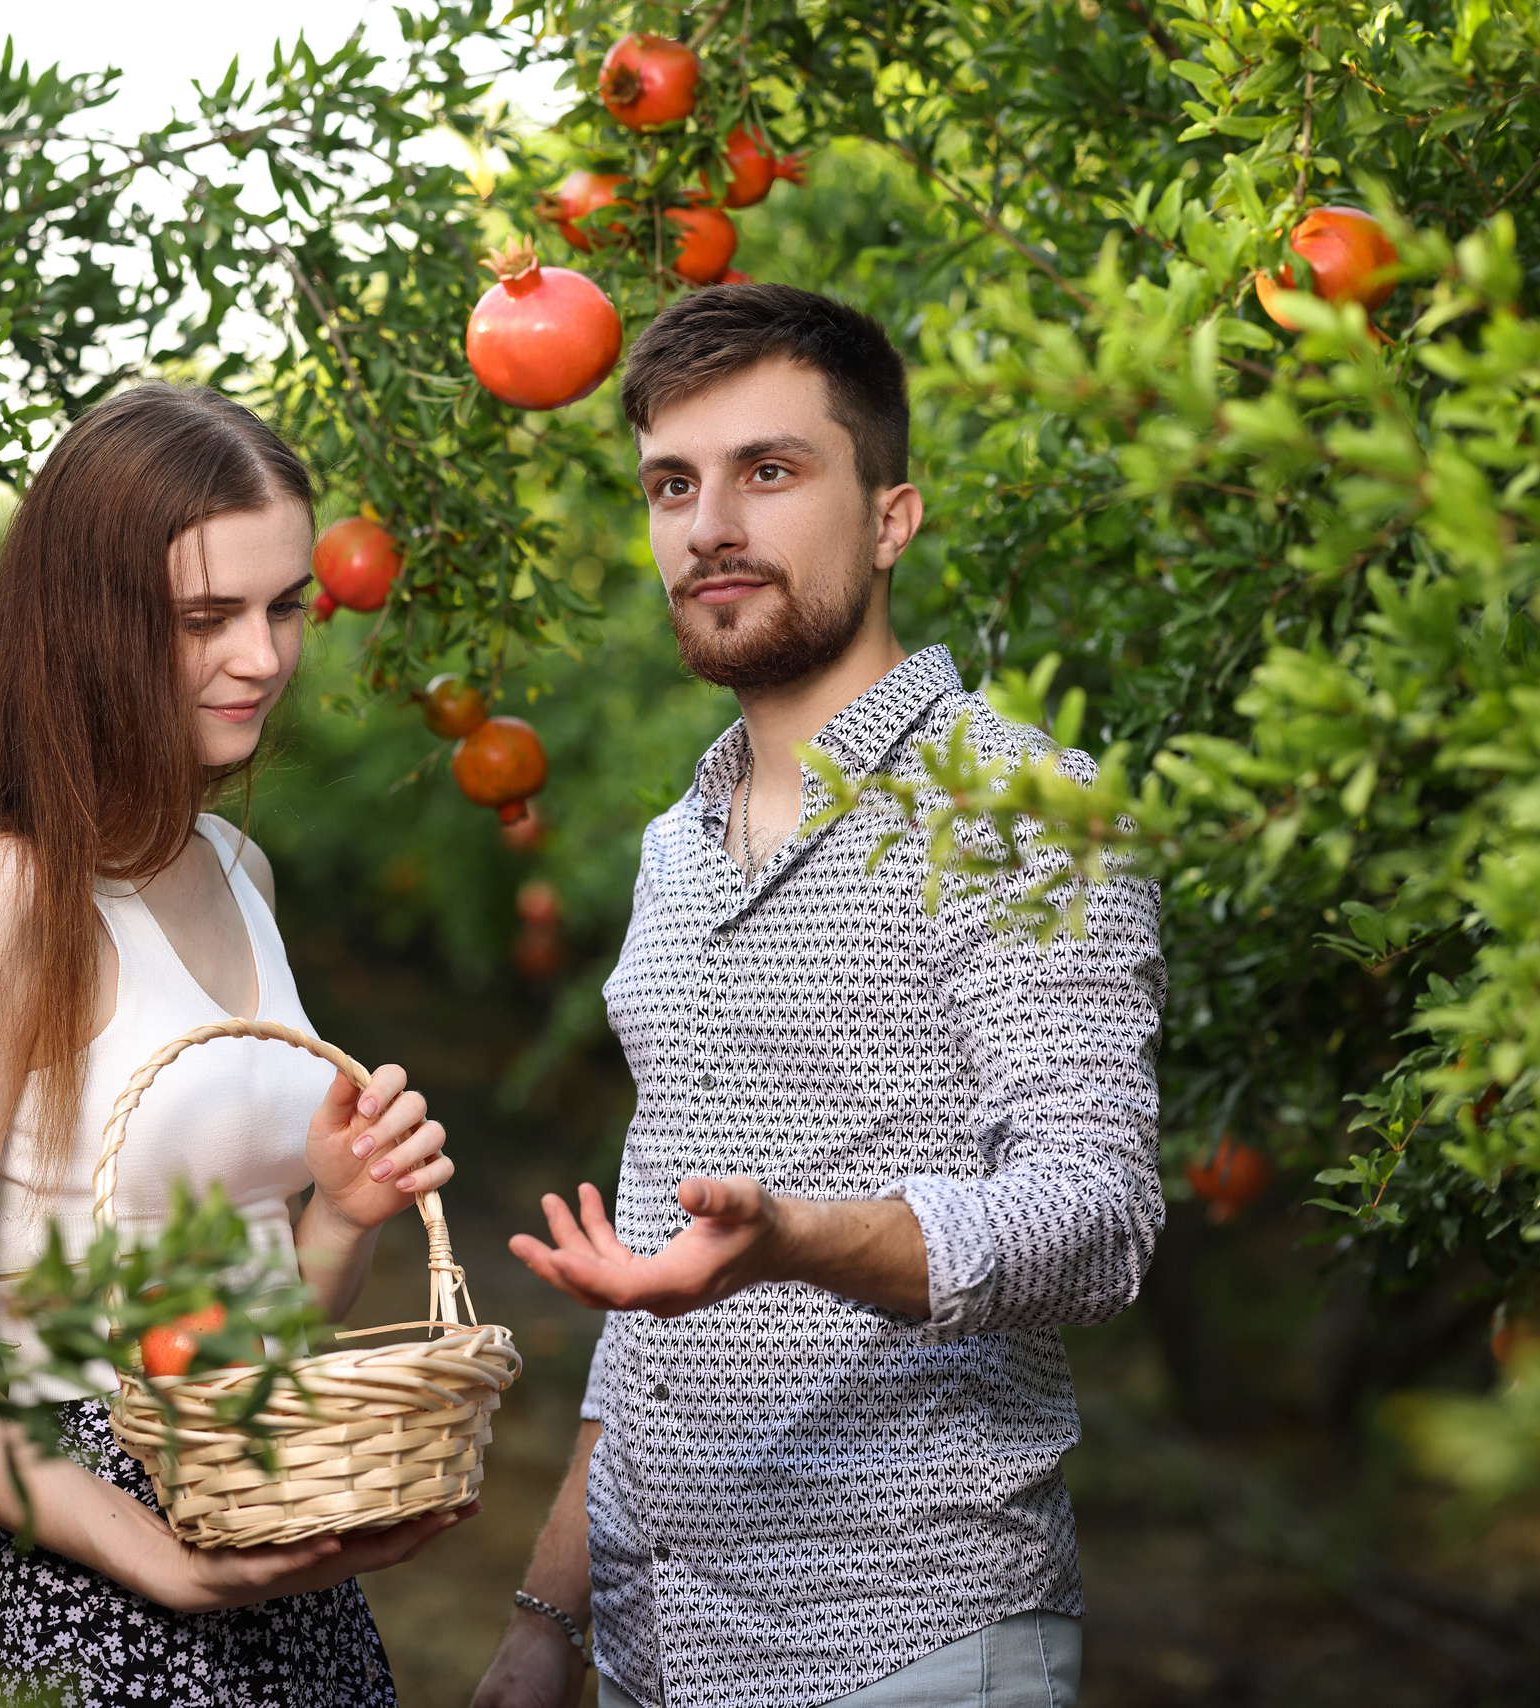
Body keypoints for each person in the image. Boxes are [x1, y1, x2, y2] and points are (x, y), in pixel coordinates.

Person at [474, 285, 1166, 1708]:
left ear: (893, 516)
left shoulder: (1020, 804)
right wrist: (550, 1618)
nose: (710, 525)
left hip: (899, 1641)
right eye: (675, 484)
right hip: (660, 1645)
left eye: (768, 473)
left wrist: (797, 1240)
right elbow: (654, 1296)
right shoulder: (679, 843)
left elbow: (1098, 1216)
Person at [0, 384, 466, 1706]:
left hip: (273, 1533)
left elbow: (243, 1327)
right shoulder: (2, 897)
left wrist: (342, 1215)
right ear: (91, 625)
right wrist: (150, 1558)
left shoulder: (238, 868)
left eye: (285, 605)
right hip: (90, 1557)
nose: (264, 657)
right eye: (206, 619)